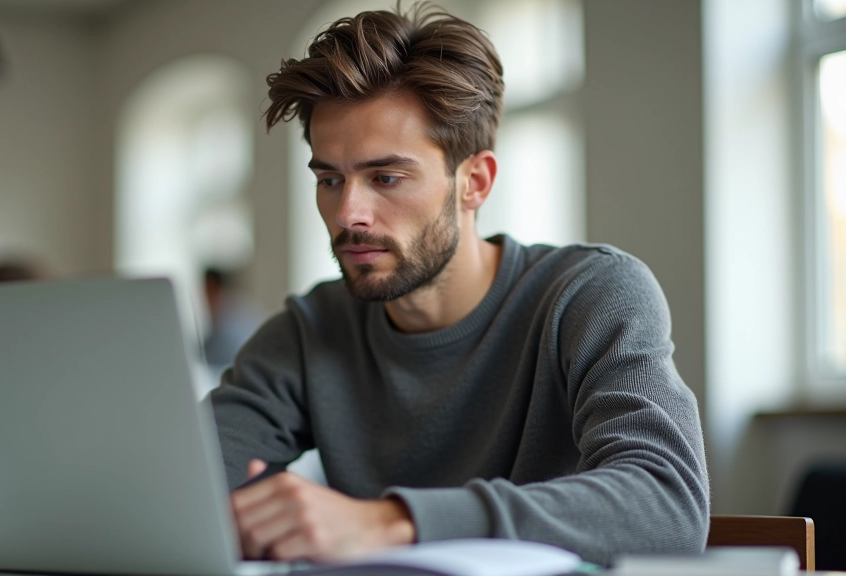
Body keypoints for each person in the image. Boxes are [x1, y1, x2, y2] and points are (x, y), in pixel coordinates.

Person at [208, 3, 709, 565]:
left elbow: (669, 506)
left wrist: (392, 522)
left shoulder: (589, 295)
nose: (348, 213)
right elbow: (181, 483)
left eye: (385, 177)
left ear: (475, 181)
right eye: (330, 179)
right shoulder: (311, 330)